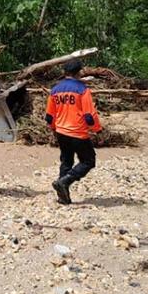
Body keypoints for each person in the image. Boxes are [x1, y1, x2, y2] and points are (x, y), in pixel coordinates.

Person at [45, 59, 102, 204]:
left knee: (66, 161)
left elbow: (49, 115)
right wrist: (97, 129)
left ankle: (62, 196)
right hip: (78, 132)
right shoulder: (82, 90)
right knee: (88, 161)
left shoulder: (55, 90)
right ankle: (66, 181)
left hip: (61, 131)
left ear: (65, 72)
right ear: (79, 72)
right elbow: (89, 115)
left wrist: (52, 128)